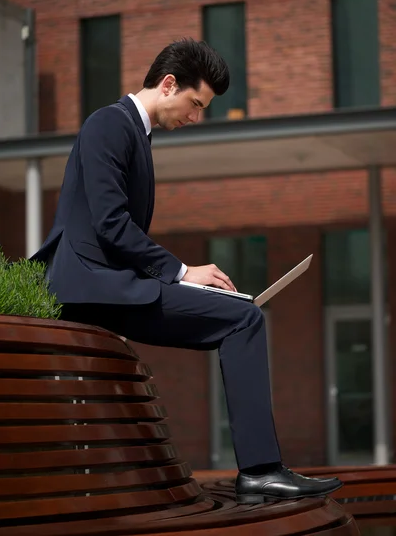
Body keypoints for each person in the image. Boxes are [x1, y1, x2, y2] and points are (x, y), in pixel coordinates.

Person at [32, 38, 342, 504]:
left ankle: (262, 469)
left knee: (240, 314)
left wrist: (175, 276)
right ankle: (260, 471)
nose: (195, 117)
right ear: (168, 84)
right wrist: (180, 271)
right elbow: (110, 223)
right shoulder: (108, 125)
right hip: (91, 290)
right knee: (243, 319)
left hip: (108, 286)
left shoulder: (132, 132)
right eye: (195, 105)